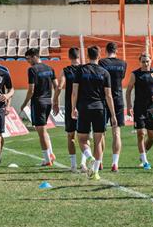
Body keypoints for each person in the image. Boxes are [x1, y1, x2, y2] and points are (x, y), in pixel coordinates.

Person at [72, 46, 117, 181]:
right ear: (99, 56)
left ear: (87, 55)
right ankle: (96, 172)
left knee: (82, 139)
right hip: (99, 108)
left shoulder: (80, 70)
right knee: (98, 141)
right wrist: (113, 115)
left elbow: (74, 92)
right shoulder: (105, 73)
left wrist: (73, 107)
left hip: (84, 107)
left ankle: (89, 156)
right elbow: (108, 95)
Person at [20, 48, 57, 166]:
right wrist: (55, 101)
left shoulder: (32, 70)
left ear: (35, 56)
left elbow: (31, 90)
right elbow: (56, 86)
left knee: (41, 132)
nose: (27, 61)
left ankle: (47, 160)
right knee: (43, 129)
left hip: (38, 102)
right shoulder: (50, 68)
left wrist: (25, 103)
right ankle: (50, 154)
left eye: (28, 58)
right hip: (48, 102)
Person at [125, 53, 153, 170]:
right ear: (140, 62)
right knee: (141, 134)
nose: (145, 63)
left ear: (150, 61)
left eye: (147, 61)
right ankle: (145, 161)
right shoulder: (135, 74)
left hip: (152, 108)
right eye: (143, 61)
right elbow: (128, 91)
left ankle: (144, 153)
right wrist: (129, 106)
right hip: (139, 108)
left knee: (152, 136)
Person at [99, 42, 127, 172]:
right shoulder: (123, 64)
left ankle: (100, 161)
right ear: (117, 50)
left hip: (104, 99)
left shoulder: (102, 63)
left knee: (101, 132)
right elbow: (121, 78)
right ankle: (115, 163)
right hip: (118, 99)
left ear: (106, 50)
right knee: (116, 132)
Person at [54, 47, 82, 172]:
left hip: (71, 105)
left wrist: (55, 101)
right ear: (79, 56)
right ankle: (84, 164)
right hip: (84, 105)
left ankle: (73, 165)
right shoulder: (85, 69)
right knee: (85, 136)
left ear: (69, 57)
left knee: (71, 135)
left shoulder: (66, 70)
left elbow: (60, 86)